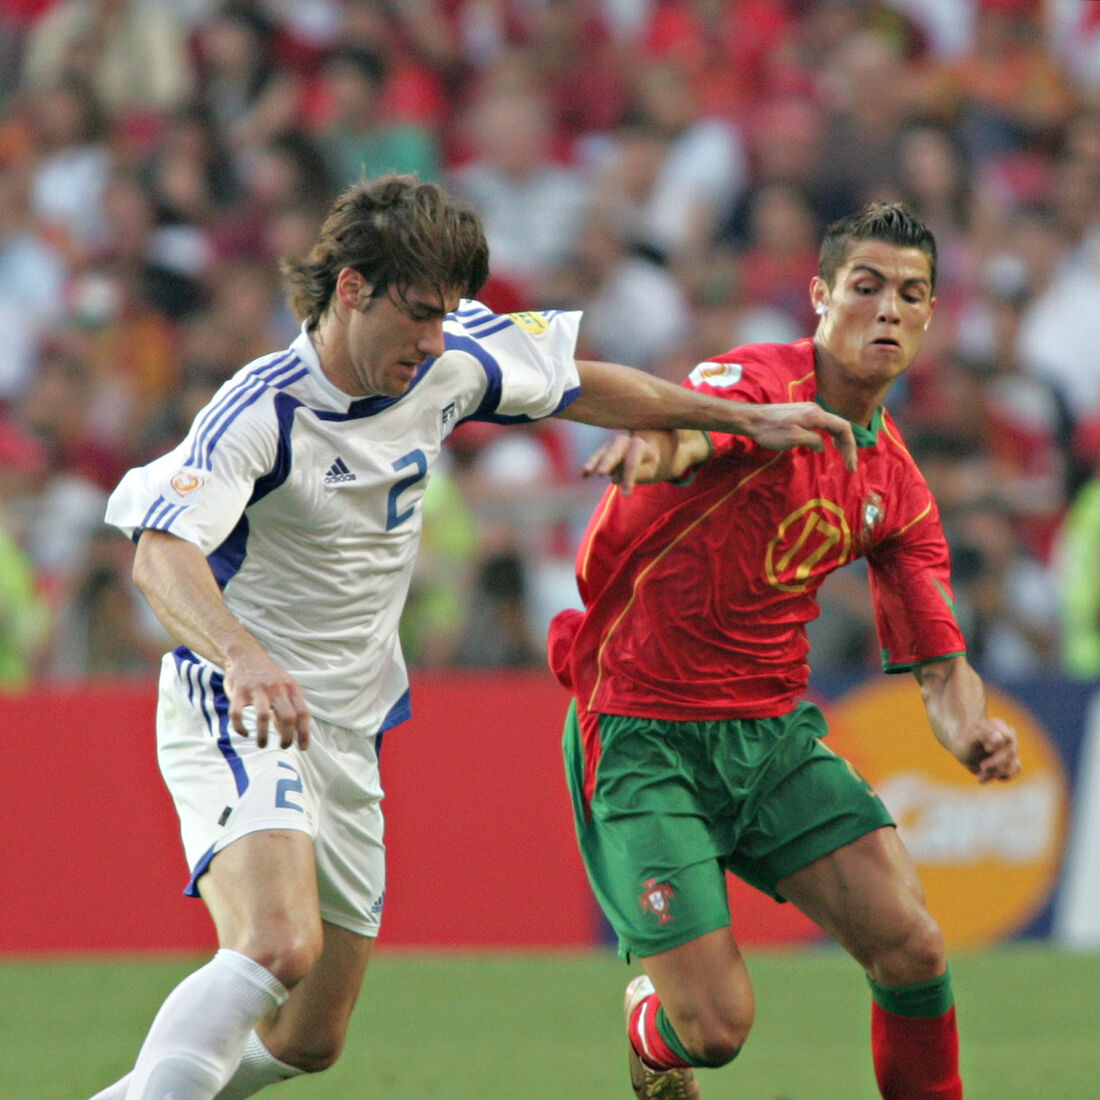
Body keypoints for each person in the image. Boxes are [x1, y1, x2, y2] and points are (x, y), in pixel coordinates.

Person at [91, 173, 856, 1100]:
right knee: (276, 943)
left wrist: (742, 417)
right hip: (244, 703)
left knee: (310, 1039)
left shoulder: (450, 357)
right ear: (351, 289)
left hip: (347, 726)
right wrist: (243, 658)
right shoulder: (262, 410)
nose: (432, 339)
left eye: (446, 316)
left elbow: (582, 385)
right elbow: (160, 555)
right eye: (417, 313)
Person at [548, 201, 1022, 1100]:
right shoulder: (760, 382)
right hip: (642, 734)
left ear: (928, 319)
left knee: (913, 947)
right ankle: (653, 1029)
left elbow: (938, 657)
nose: (887, 309)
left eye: (910, 295)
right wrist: (659, 448)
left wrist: (969, 731)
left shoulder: (897, 488)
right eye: (867, 286)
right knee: (716, 1031)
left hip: (768, 741)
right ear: (820, 296)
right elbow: (695, 425)